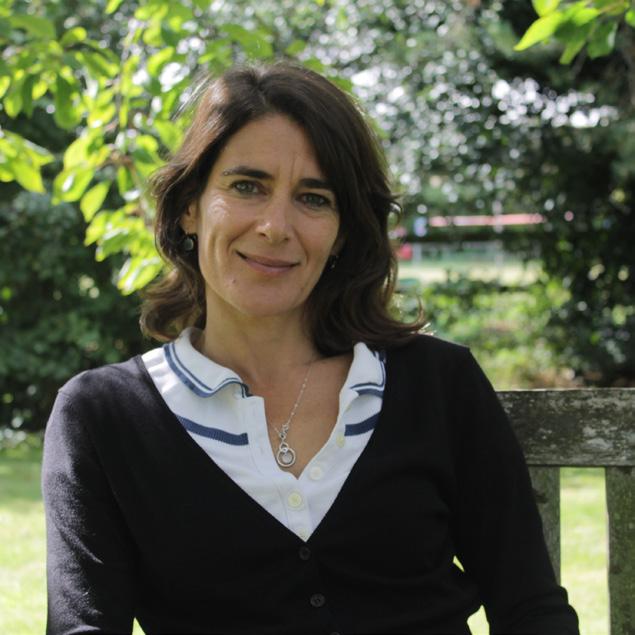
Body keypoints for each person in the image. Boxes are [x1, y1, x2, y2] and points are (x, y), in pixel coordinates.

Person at [42, 62, 579, 635]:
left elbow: (531, 609)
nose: (276, 226)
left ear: (344, 230)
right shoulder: (104, 416)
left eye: (314, 198)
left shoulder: (440, 385)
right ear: (189, 207)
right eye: (247, 187)